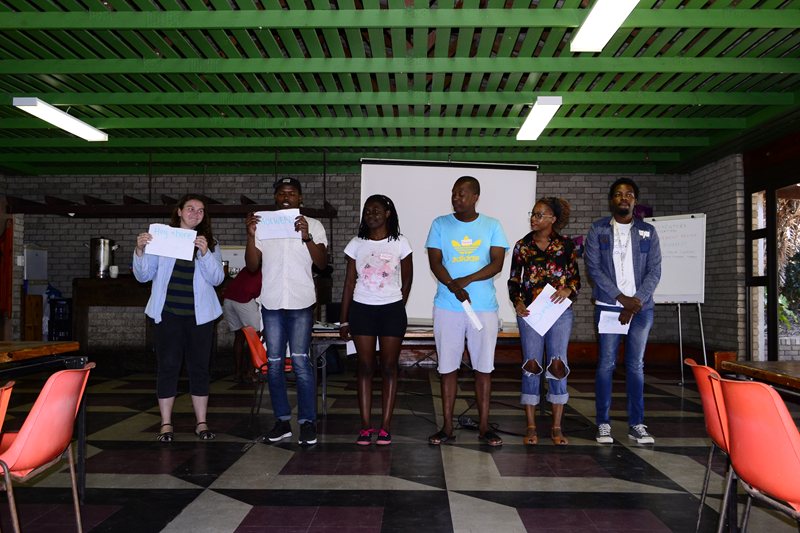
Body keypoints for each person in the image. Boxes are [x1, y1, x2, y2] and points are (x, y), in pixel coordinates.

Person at [133, 193, 224, 442]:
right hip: (168, 314)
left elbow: (217, 279)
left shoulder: (211, 243)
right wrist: (140, 250)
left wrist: (205, 254)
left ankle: (201, 423)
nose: (195, 213)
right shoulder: (162, 239)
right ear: (179, 211)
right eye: (190, 208)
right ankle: (166, 424)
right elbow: (143, 276)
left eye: (201, 210)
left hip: (200, 317)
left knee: (200, 368)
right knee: (168, 367)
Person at [425, 176, 509, 447]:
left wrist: (465, 281)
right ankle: (447, 427)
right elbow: (435, 262)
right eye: (454, 193)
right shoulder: (440, 224)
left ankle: (484, 427)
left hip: (483, 307)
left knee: (483, 368)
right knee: (447, 368)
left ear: (475, 197)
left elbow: (497, 264)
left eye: (462, 194)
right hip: (447, 306)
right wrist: (452, 286)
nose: (456, 198)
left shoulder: (492, 225)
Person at [245, 177, 327, 446]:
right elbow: (252, 266)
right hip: (271, 302)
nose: (286, 197)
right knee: (274, 364)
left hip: (301, 302)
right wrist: (250, 235)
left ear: (300, 198)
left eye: (291, 193)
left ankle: (307, 422)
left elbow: (322, 263)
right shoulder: (264, 225)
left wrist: (307, 237)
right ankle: (282, 421)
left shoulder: (313, 224)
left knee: (301, 362)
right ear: (275, 198)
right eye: (281, 193)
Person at [584, 178, 662, 445]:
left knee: (636, 365)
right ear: (611, 200)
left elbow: (655, 271)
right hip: (609, 306)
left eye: (629, 194)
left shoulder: (648, 232)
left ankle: (636, 424)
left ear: (635, 200)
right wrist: (621, 299)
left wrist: (636, 301)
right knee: (606, 364)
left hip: (641, 309)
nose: (624, 198)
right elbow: (594, 269)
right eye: (618, 194)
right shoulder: (598, 229)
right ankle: (603, 424)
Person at [339, 195, 413, 446]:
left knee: (389, 367)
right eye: (367, 211)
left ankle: (385, 426)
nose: (371, 214)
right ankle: (365, 426)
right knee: (365, 367)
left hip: (391, 310)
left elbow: (407, 280)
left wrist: (397, 305)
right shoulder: (356, 243)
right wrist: (343, 320)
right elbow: (349, 283)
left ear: (388, 213)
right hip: (362, 309)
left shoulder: (400, 242)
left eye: (376, 210)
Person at [508, 197, 580, 446]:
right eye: (533, 214)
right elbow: (514, 279)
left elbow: (575, 279)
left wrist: (568, 290)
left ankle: (557, 427)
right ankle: (530, 427)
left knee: (558, 365)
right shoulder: (522, 246)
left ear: (553, 219)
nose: (534, 218)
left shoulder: (566, 245)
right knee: (532, 365)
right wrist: (517, 302)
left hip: (559, 313)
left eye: (540, 215)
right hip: (530, 313)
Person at [222, 268, 263, 382]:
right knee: (255, 337)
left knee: (239, 336)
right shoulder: (265, 269)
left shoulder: (249, 267)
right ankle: (251, 373)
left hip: (228, 300)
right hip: (244, 299)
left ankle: (237, 373)